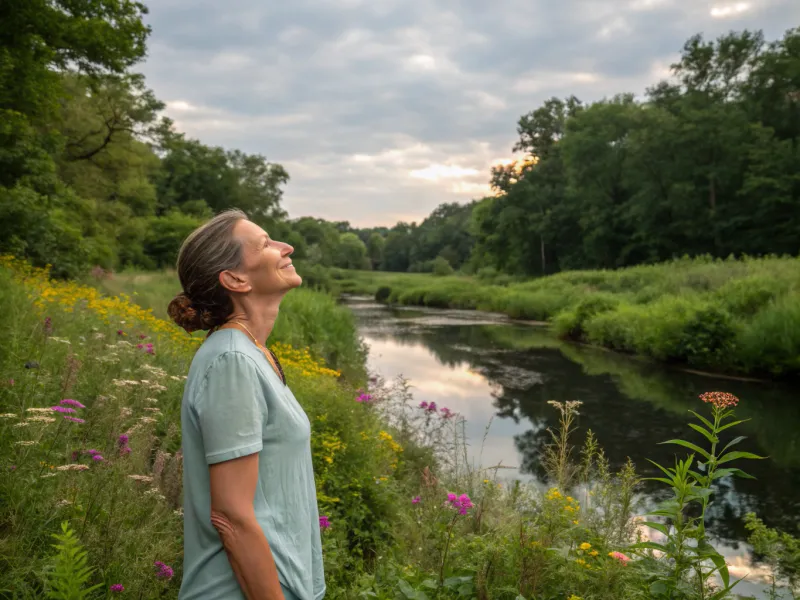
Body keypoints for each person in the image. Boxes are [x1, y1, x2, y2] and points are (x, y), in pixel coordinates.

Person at [167, 209, 325, 600]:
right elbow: (231, 516)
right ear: (235, 279)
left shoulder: (252, 353)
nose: (285, 246)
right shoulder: (231, 361)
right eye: (265, 243)